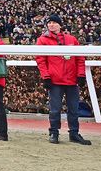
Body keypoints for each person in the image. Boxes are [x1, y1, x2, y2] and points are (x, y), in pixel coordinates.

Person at [35, 14, 91, 145]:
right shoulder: (42, 40)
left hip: (71, 80)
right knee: (55, 109)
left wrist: (81, 74)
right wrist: (46, 77)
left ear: (60, 25)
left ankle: (74, 133)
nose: (51, 25)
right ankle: (54, 132)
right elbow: (40, 60)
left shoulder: (71, 39)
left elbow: (80, 58)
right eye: (49, 23)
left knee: (74, 108)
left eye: (54, 22)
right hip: (54, 81)